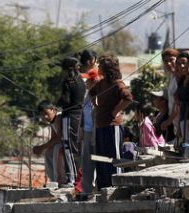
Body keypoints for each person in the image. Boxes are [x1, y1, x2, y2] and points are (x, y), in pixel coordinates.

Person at [88, 55, 133, 189]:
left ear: (107, 68)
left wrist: (116, 110)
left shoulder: (117, 84)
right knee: (101, 156)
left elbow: (128, 98)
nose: (98, 67)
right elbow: (92, 93)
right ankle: (103, 185)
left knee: (114, 156)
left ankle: (117, 185)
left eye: (100, 65)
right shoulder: (102, 83)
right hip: (101, 125)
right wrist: (95, 106)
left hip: (113, 126)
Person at [55, 57, 85, 189]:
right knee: (75, 147)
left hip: (69, 116)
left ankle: (71, 179)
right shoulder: (81, 81)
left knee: (68, 148)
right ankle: (76, 178)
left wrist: (58, 102)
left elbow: (66, 101)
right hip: (79, 116)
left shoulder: (68, 82)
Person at [78, 50, 100, 194]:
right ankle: (86, 190)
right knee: (86, 161)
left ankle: (99, 188)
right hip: (87, 129)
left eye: (90, 80)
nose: (87, 82)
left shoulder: (98, 92)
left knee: (98, 158)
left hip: (96, 129)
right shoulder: (88, 93)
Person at [33, 101, 66, 186]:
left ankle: (60, 179)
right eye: (42, 115)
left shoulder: (59, 117)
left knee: (56, 148)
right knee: (48, 152)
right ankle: (53, 179)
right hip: (60, 143)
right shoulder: (52, 121)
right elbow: (53, 138)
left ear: (52, 110)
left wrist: (41, 147)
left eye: (46, 113)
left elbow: (59, 138)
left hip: (66, 144)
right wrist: (43, 148)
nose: (45, 117)